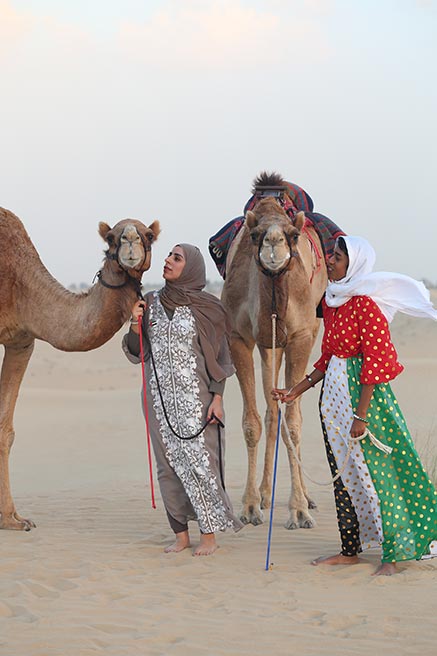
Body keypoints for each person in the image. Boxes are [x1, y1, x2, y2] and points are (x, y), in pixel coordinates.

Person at [272, 235, 437, 576]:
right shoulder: (332, 302)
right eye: (331, 255)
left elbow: (376, 363)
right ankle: (350, 550)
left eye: (337, 257)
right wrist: (294, 391)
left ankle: (391, 556)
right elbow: (327, 358)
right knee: (344, 478)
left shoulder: (365, 305)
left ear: (355, 264)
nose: (329, 261)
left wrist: (360, 415)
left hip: (364, 406)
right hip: (332, 405)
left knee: (378, 475)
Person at [123, 243, 243, 556]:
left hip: (198, 400)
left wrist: (217, 398)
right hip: (158, 402)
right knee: (167, 467)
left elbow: (221, 355)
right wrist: (134, 322)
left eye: (176, 258)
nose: (168, 261)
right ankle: (180, 534)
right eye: (168, 256)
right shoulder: (148, 303)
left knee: (202, 464)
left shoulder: (208, 308)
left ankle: (209, 535)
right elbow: (136, 353)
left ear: (189, 267)